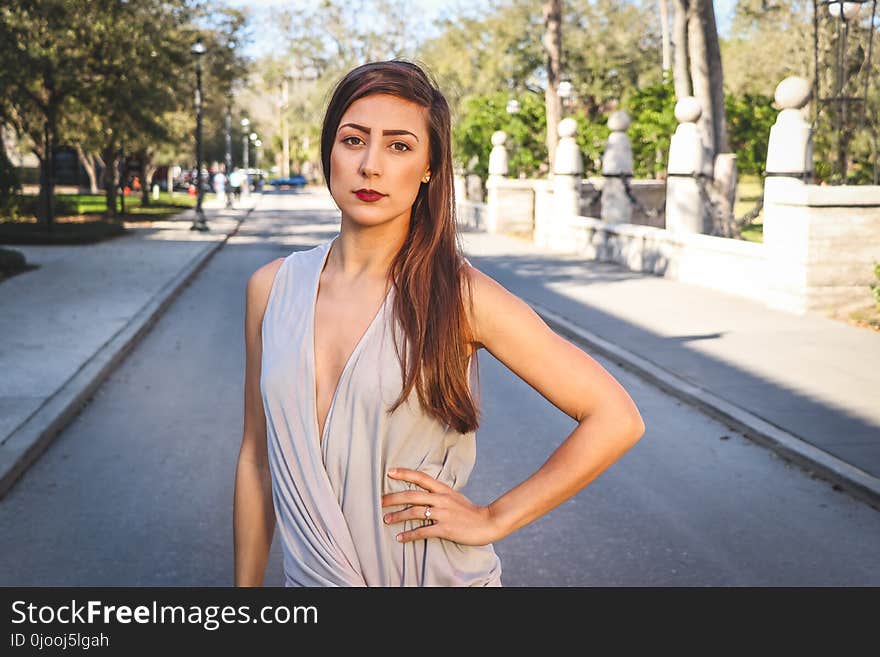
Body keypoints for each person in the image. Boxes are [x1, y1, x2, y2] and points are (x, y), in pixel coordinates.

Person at [233, 60, 646, 587]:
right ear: (329, 151)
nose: (371, 166)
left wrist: (493, 517)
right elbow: (255, 459)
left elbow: (615, 416)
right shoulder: (270, 289)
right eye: (354, 140)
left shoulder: (460, 296)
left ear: (429, 167)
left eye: (400, 146)